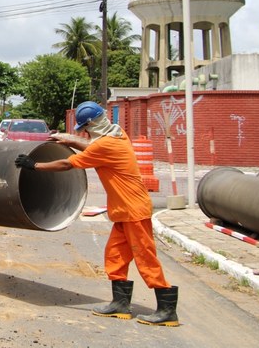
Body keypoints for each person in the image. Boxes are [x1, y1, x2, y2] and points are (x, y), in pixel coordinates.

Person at [14, 101, 179, 327]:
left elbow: (66, 164)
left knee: (145, 257)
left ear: (91, 125)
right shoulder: (118, 134)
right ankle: (120, 304)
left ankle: (167, 309)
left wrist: (34, 165)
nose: (85, 132)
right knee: (115, 256)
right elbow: (94, 147)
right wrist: (71, 140)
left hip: (134, 211)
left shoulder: (106, 146)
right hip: (124, 212)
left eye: (85, 129)